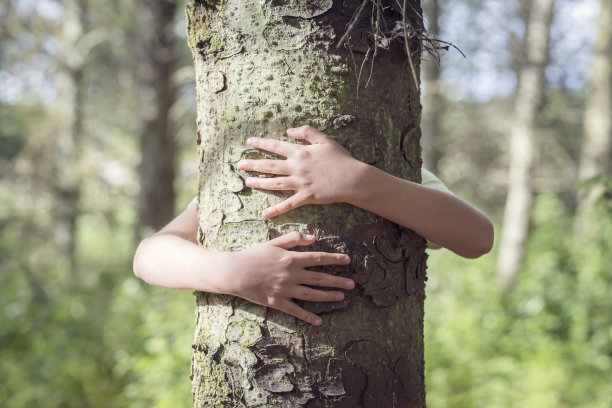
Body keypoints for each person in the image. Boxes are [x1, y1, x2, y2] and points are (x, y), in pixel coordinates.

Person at [133, 125, 494, 326]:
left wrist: (358, 181)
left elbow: (477, 237)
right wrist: (230, 272)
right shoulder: (249, 178)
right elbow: (148, 255)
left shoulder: (400, 175)